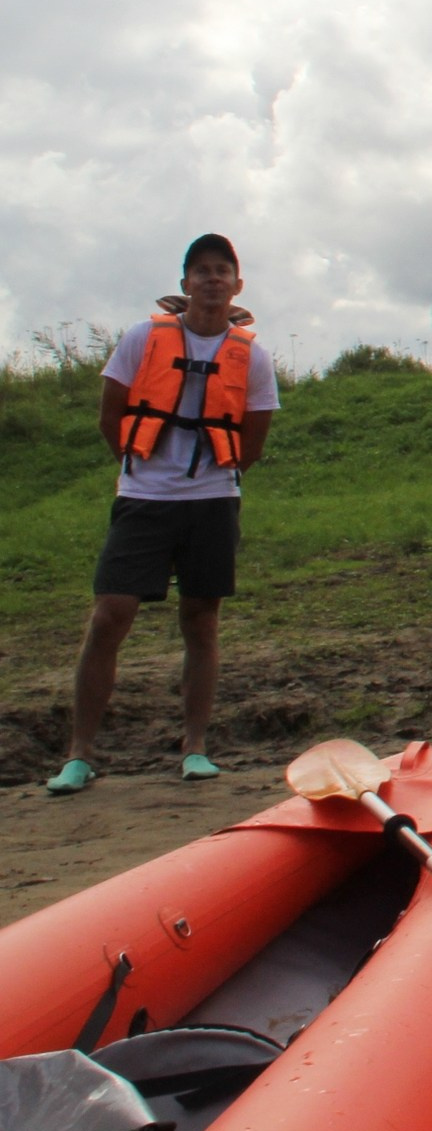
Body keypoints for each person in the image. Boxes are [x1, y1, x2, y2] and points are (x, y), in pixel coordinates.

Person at [47, 235, 278, 795]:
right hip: (144, 496)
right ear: (185, 283)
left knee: (201, 619)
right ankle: (79, 754)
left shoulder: (254, 356)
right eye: (201, 271)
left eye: (222, 271)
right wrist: (140, 467)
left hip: (213, 500)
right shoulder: (141, 338)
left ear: (237, 285)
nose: (212, 280)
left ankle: (194, 747)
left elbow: (253, 439)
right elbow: (111, 412)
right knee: (110, 616)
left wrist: (212, 474)